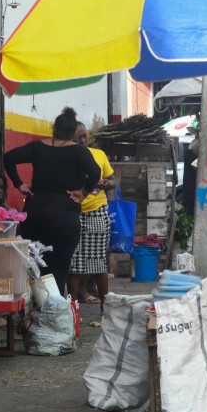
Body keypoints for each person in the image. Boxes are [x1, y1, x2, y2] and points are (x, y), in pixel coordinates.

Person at [4, 107, 101, 295]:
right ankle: (55, 308)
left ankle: (37, 309)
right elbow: (96, 172)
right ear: (74, 132)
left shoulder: (36, 147)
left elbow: (8, 157)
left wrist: (19, 184)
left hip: (36, 213)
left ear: (53, 128)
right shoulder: (79, 151)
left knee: (36, 265)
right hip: (64, 215)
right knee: (59, 267)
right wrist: (83, 192)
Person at [67, 122, 115, 310]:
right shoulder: (66, 158)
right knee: (75, 262)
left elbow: (112, 180)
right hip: (74, 212)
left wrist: (108, 185)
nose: (83, 141)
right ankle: (72, 308)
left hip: (98, 211)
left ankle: (105, 308)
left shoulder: (99, 155)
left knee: (98, 261)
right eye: (78, 137)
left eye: (85, 136)